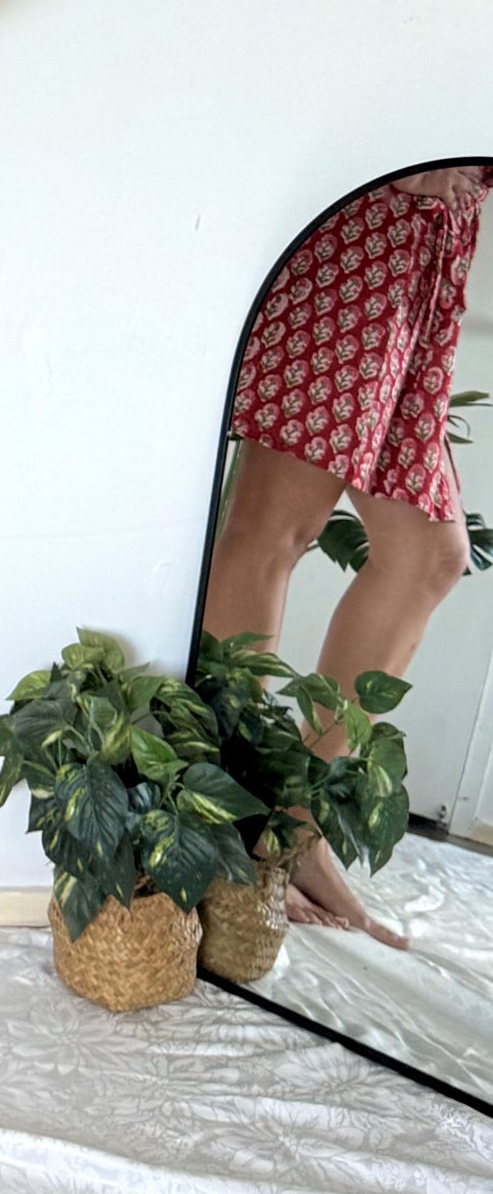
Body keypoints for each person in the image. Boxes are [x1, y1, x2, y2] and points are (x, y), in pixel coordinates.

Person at [202, 163, 492, 945]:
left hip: (432, 244)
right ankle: (218, 807)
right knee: (276, 524)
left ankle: (290, 812)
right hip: (367, 221)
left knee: (430, 552)